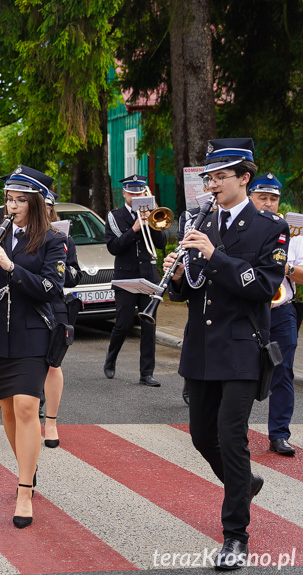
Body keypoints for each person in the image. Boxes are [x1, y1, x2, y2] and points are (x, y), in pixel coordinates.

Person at [165, 138, 288, 569]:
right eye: (209, 177)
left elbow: (262, 286)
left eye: (220, 177)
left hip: (240, 348)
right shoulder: (200, 220)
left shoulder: (269, 227)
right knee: (201, 436)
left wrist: (214, 255)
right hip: (201, 347)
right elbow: (191, 291)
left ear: (244, 178)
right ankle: (244, 482)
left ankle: (235, 535)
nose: (212, 184)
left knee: (231, 438)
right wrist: (177, 275)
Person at [0, 165, 65, 529]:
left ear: (36, 203)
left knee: (26, 406)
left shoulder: (51, 240)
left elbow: (50, 288)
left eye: (20, 200)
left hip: (31, 333)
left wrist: (10, 267)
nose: (12, 206)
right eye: (9, 199)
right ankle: (28, 465)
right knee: (7, 410)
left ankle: (24, 490)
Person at [247, 172, 298, 457]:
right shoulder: (243, 230)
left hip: (281, 311)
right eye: (262, 197)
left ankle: (279, 435)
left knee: (283, 373)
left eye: (273, 199)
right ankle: (235, 431)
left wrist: (285, 268)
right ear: (251, 197)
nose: (268, 203)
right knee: (241, 372)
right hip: (250, 313)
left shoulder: (291, 232)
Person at [103, 175, 167, 386]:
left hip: (148, 277)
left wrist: (151, 222)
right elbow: (114, 247)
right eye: (132, 193)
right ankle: (110, 360)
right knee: (122, 324)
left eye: (140, 193)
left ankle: (146, 373)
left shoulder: (151, 214)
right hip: (126, 277)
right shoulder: (115, 216)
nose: (136, 196)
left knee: (148, 325)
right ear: (124, 194)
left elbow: (161, 243)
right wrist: (135, 229)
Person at [43, 191, 82, 448]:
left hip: (54, 304)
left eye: (47, 206)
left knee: (53, 364)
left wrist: (60, 267)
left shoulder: (62, 237)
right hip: (26, 304)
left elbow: (75, 274)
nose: (43, 210)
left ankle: (51, 423)